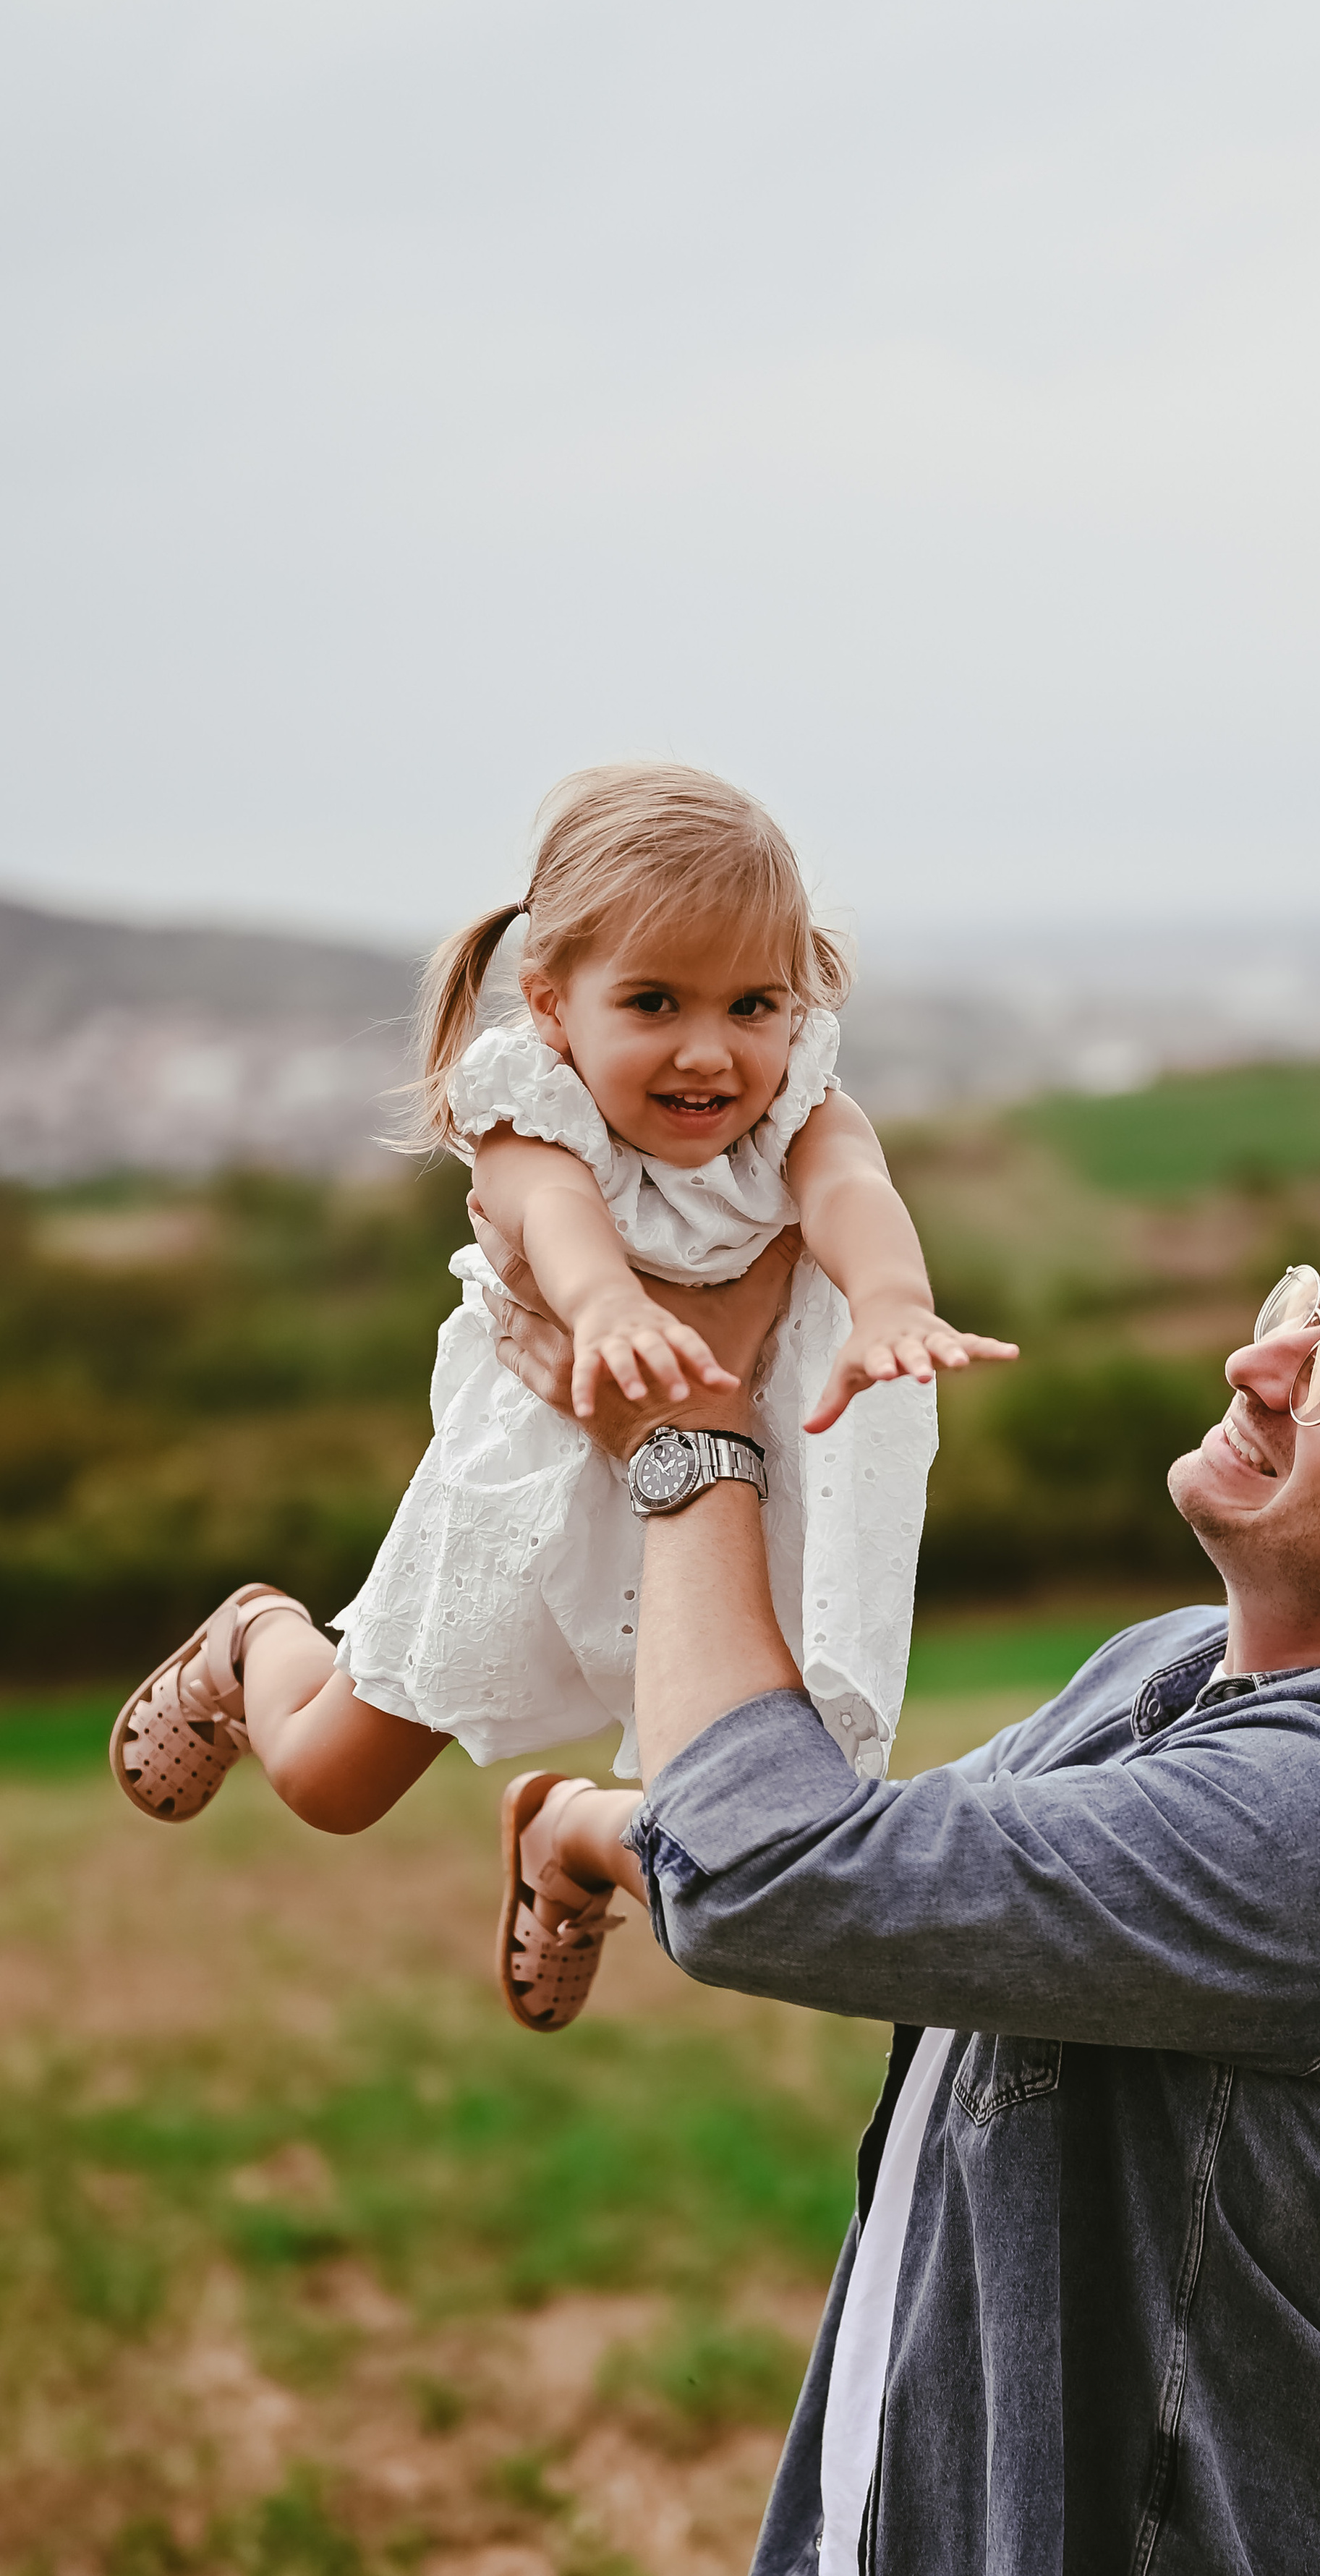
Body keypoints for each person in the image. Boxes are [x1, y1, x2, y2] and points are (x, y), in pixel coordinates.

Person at [475, 1195, 1320, 2576]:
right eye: (1309, 1306)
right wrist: (602, 1828)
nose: (1264, 1361)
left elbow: (777, 1874)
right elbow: (886, 1871)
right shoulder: (1174, 1665)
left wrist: (690, 1455)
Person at [106, 761, 1013, 2032]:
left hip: (753, 1466)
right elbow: (555, 1221)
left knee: (773, 1787)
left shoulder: (803, 1095)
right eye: (655, 1003)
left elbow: (854, 1189)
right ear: (552, 1004)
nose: (713, 1049)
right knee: (329, 1781)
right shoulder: (539, 1113)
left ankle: (569, 1835)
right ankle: (255, 1637)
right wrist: (609, 1311)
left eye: (754, 1002)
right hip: (544, 1474)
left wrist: (892, 1306)